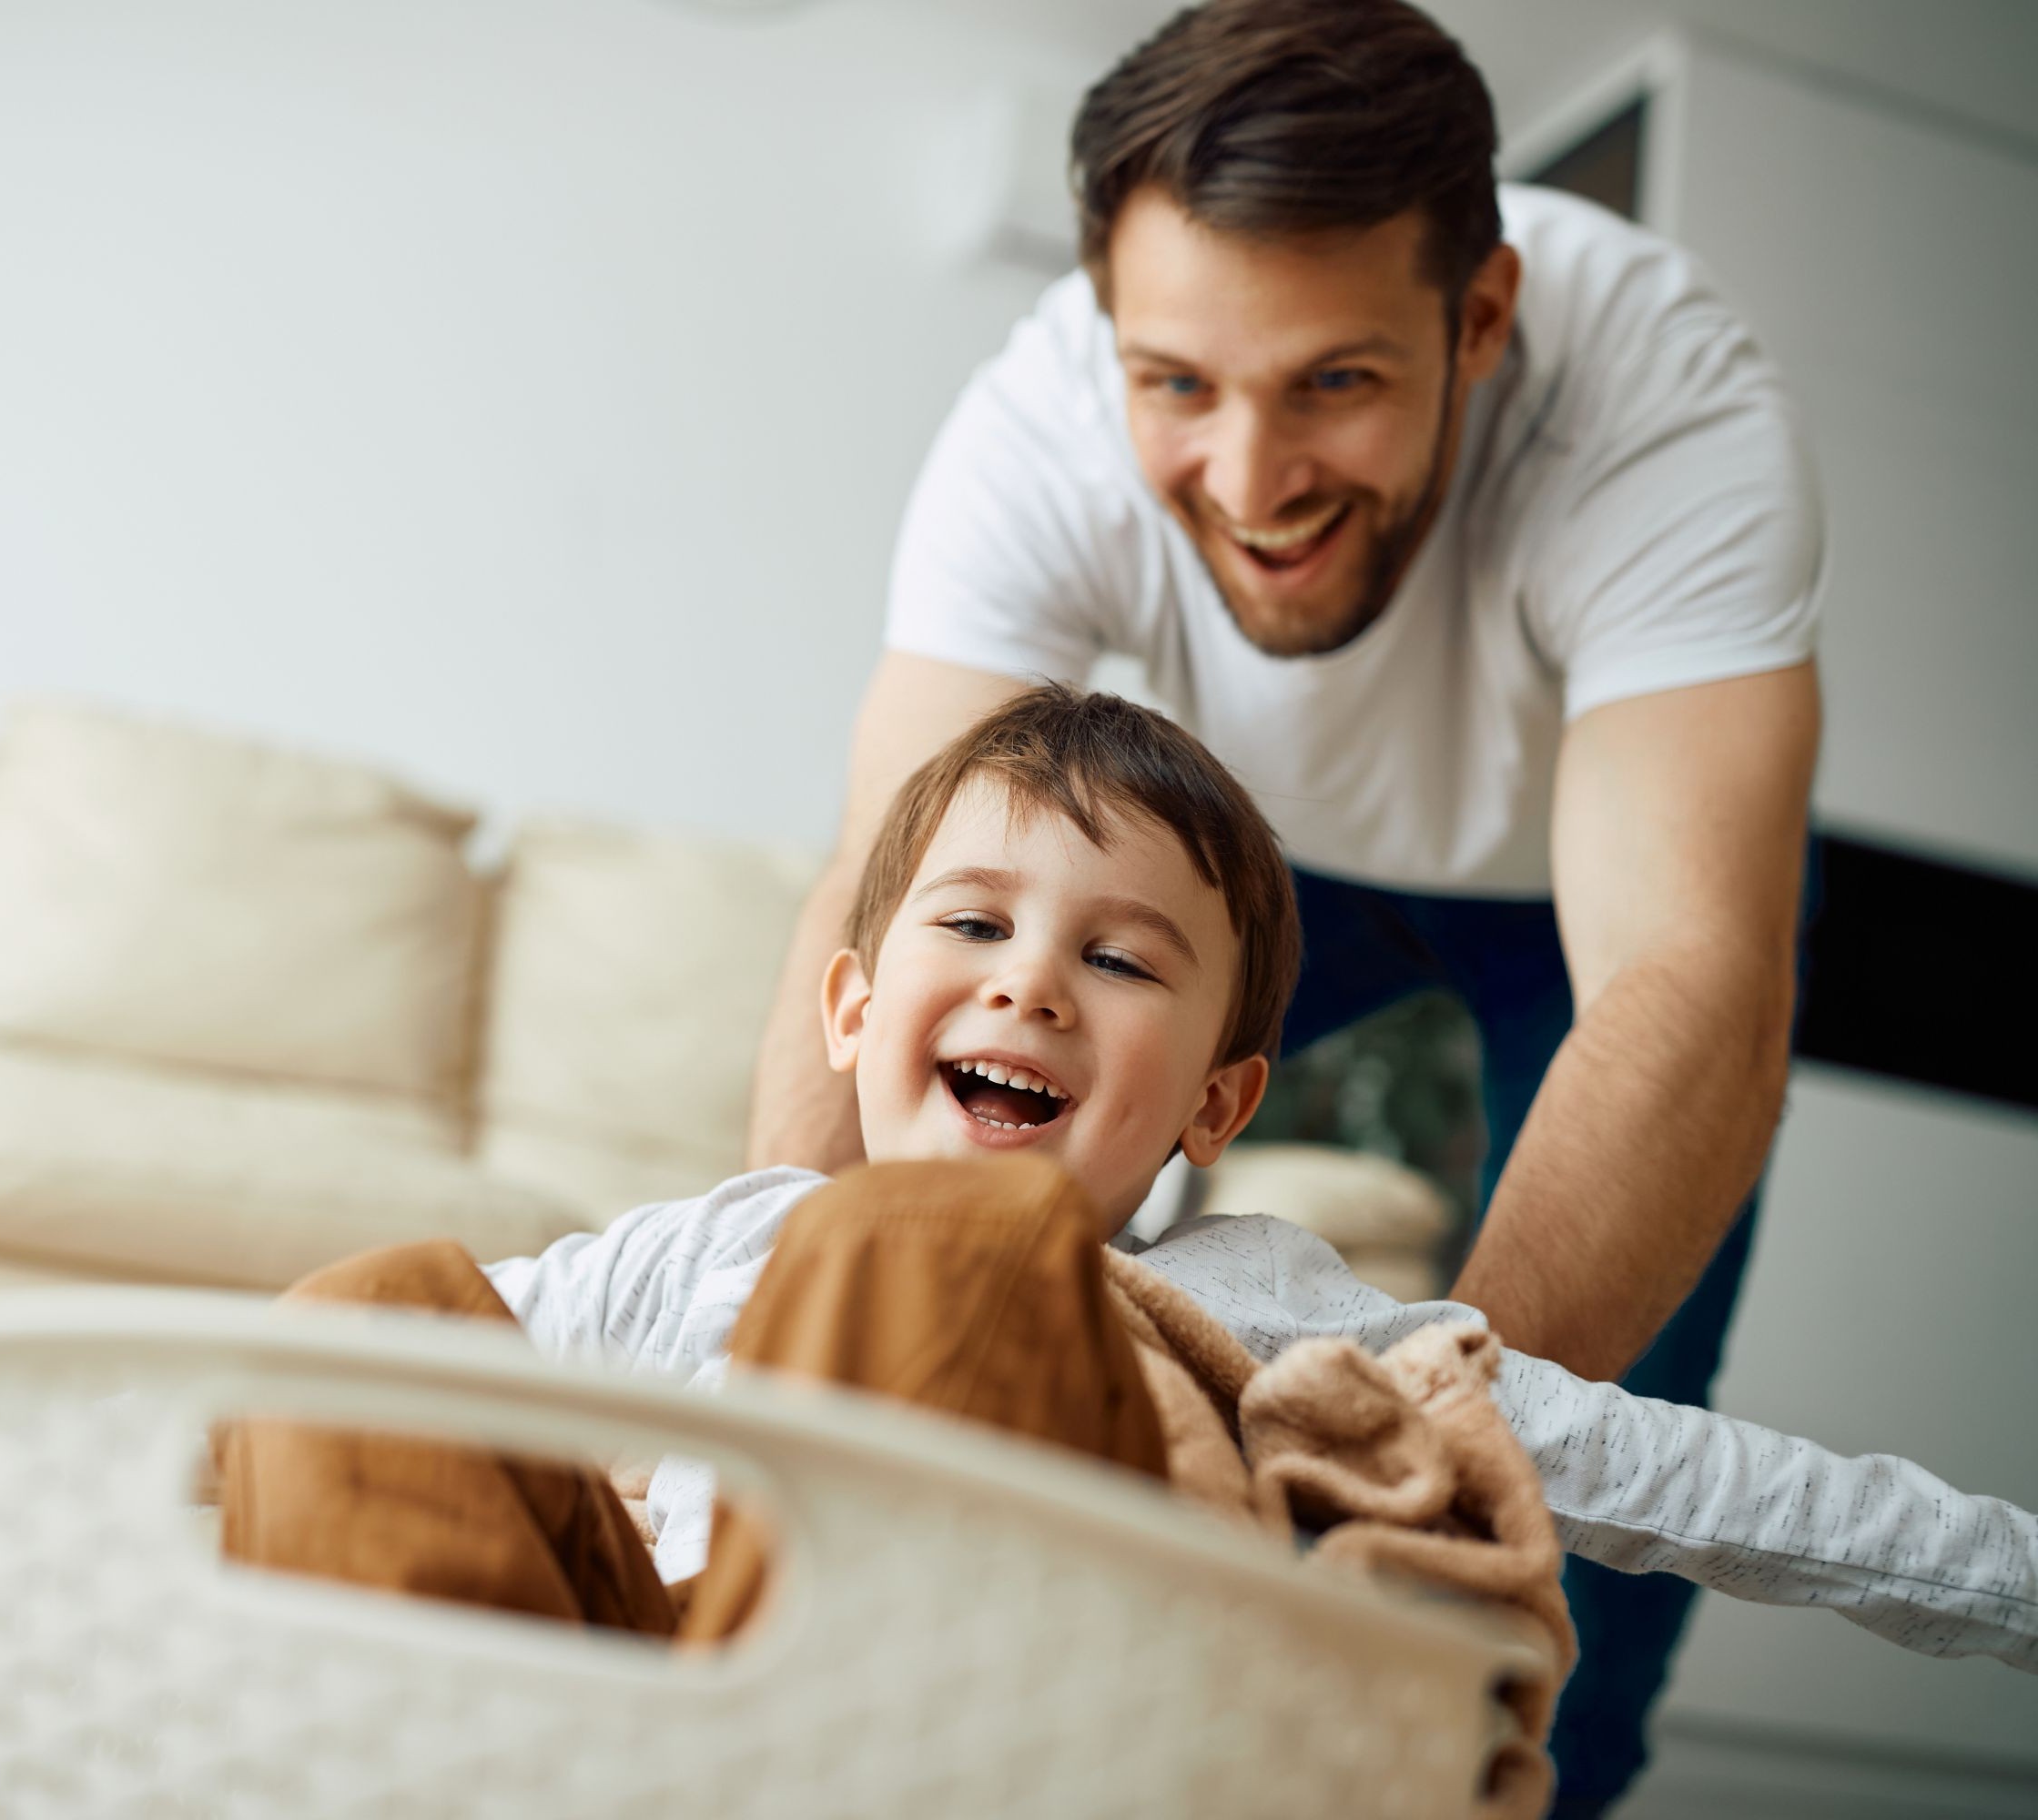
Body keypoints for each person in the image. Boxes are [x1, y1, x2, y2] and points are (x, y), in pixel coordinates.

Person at [224, 692, 2033, 1788]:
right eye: (979, 922)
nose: (1030, 977)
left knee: (945, 1249)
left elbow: (1680, 1474)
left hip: (986, 1749)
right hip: (598, 1738)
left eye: (1119, 957)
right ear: (851, 1008)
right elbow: (339, 1403)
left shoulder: (1265, 1307)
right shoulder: (705, 1244)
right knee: (375, 1315)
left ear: (1216, 1106)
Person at [741, 4, 1822, 1805]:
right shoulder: (1037, 423)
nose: (1247, 486)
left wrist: (1421, 1447)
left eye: (1334, 379)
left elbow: (1692, 969)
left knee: (1583, 1471)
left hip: (1591, 901)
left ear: (1478, 322)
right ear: (1111, 336)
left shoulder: (1666, 401)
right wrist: (761, 1334)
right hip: (1251, 862)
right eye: (1177, 384)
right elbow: (883, 895)